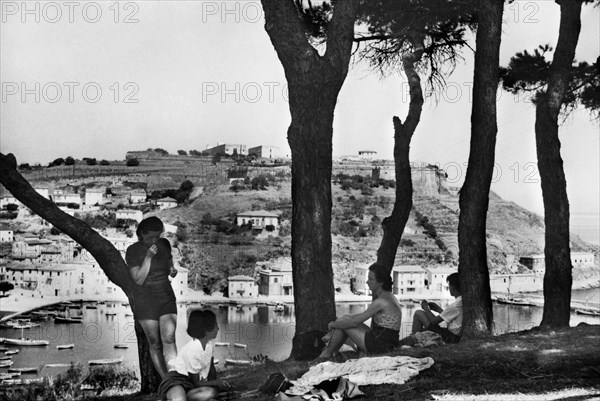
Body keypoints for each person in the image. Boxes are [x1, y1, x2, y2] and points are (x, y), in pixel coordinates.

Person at [126, 216, 178, 378]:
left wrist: (172, 270)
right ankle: (166, 380)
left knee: (169, 339)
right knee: (155, 344)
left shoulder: (164, 244)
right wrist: (148, 257)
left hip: (166, 296)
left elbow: (170, 264)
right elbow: (139, 279)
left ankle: (175, 377)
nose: (155, 241)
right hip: (145, 301)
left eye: (158, 236)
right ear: (141, 234)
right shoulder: (133, 250)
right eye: (151, 237)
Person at [316, 263, 402, 359]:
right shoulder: (389, 296)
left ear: (380, 283)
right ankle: (332, 352)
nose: (367, 282)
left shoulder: (381, 301)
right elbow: (356, 318)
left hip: (382, 345)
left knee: (346, 324)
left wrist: (333, 324)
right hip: (386, 340)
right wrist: (342, 320)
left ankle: (327, 353)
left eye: (371, 279)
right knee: (345, 319)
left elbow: (355, 322)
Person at [158, 309, 233, 401]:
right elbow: (196, 382)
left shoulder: (210, 344)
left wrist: (215, 384)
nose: (218, 328)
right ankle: (176, 396)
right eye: (216, 325)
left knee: (211, 392)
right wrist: (217, 383)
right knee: (179, 398)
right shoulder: (193, 350)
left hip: (190, 385)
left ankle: (182, 397)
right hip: (176, 381)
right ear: (207, 331)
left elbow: (211, 368)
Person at [401, 272, 462, 345]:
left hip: (449, 336)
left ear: (453, 287)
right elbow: (452, 317)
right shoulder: (462, 302)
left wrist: (426, 308)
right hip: (452, 335)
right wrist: (439, 310)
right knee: (422, 329)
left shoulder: (455, 305)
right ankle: (415, 338)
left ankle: (414, 340)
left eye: (449, 285)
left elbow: (434, 321)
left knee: (419, 313)